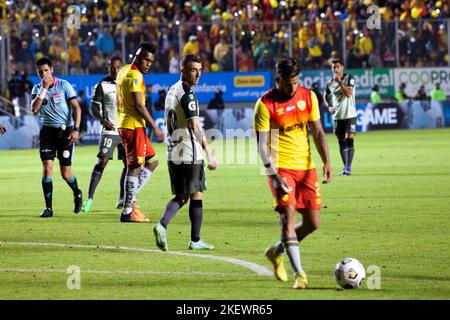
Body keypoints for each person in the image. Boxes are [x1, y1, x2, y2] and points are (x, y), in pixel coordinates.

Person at [254, 57, 332, 289]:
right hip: (280, 168)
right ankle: (300, 274)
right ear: (278, 80)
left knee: (312, 223)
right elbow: (261, 146)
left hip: (307, 168)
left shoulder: (309, 97)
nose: (293, 88)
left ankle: (276, 251)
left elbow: (318, 132)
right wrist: (275, 177)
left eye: (296, 83)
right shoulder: (264, 104)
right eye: (288, 84)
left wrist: (327, 161)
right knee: (287, 218)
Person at [152, 54, 217, 251]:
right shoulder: (188, 94)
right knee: (196, 194)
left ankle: (162, 226)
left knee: (181, 196)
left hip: (172, 151)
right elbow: (195, 126)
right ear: (183, 70)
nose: (197, 74)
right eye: (193, 70)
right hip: (189, 151)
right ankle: (195, 240)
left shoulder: (172, 90)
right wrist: (209, 152)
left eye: (199, 69)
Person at [116, 42, 165, 223]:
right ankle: (127, 210)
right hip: (133, 126)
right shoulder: (135, 75)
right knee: (135, 167)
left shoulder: (123, 70)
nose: (148, 64)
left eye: (151, 61)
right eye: (145, 59)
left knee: (152, 162)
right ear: (137, 56)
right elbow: (138, 104)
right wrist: (155, 127)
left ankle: (130, 200)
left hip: (127, 124)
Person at [31, 57, 83, 218]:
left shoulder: (64, 85)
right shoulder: (37, 88)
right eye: (40, 72)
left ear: (52, 70)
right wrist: (44, 89)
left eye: (46, 70)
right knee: (47, 166)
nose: (43, 74)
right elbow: (34, 109)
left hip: (64, 132)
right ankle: (49, 208)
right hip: (47, 132)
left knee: (65, 174)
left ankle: (77, 192)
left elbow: (77, 108)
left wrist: (76, 129)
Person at [81, 57, 128, 213]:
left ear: (122, 68)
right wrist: (102, 120)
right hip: (110, 130)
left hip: (125, 130)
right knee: (102, 161)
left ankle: (122, 199)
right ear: (107, 68)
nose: (115, 70)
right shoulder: (101, 85)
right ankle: (89, 198)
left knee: (128, 164)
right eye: (112, 67)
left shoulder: (127, 83)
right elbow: (92, 108)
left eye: (118, 67)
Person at [324, 58, 357, 176]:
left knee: (350, 140)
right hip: (338, 116)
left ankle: (348, 167)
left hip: (350, 114)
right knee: (341, 141)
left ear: (342, 67)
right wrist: (329, 106)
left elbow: (348, 94)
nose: (335, 69)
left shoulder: (350, 78)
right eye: (333, 67)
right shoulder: (330, 83)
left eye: (338, 66)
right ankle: (345, 167)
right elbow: (325, 95)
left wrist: (340, 82)